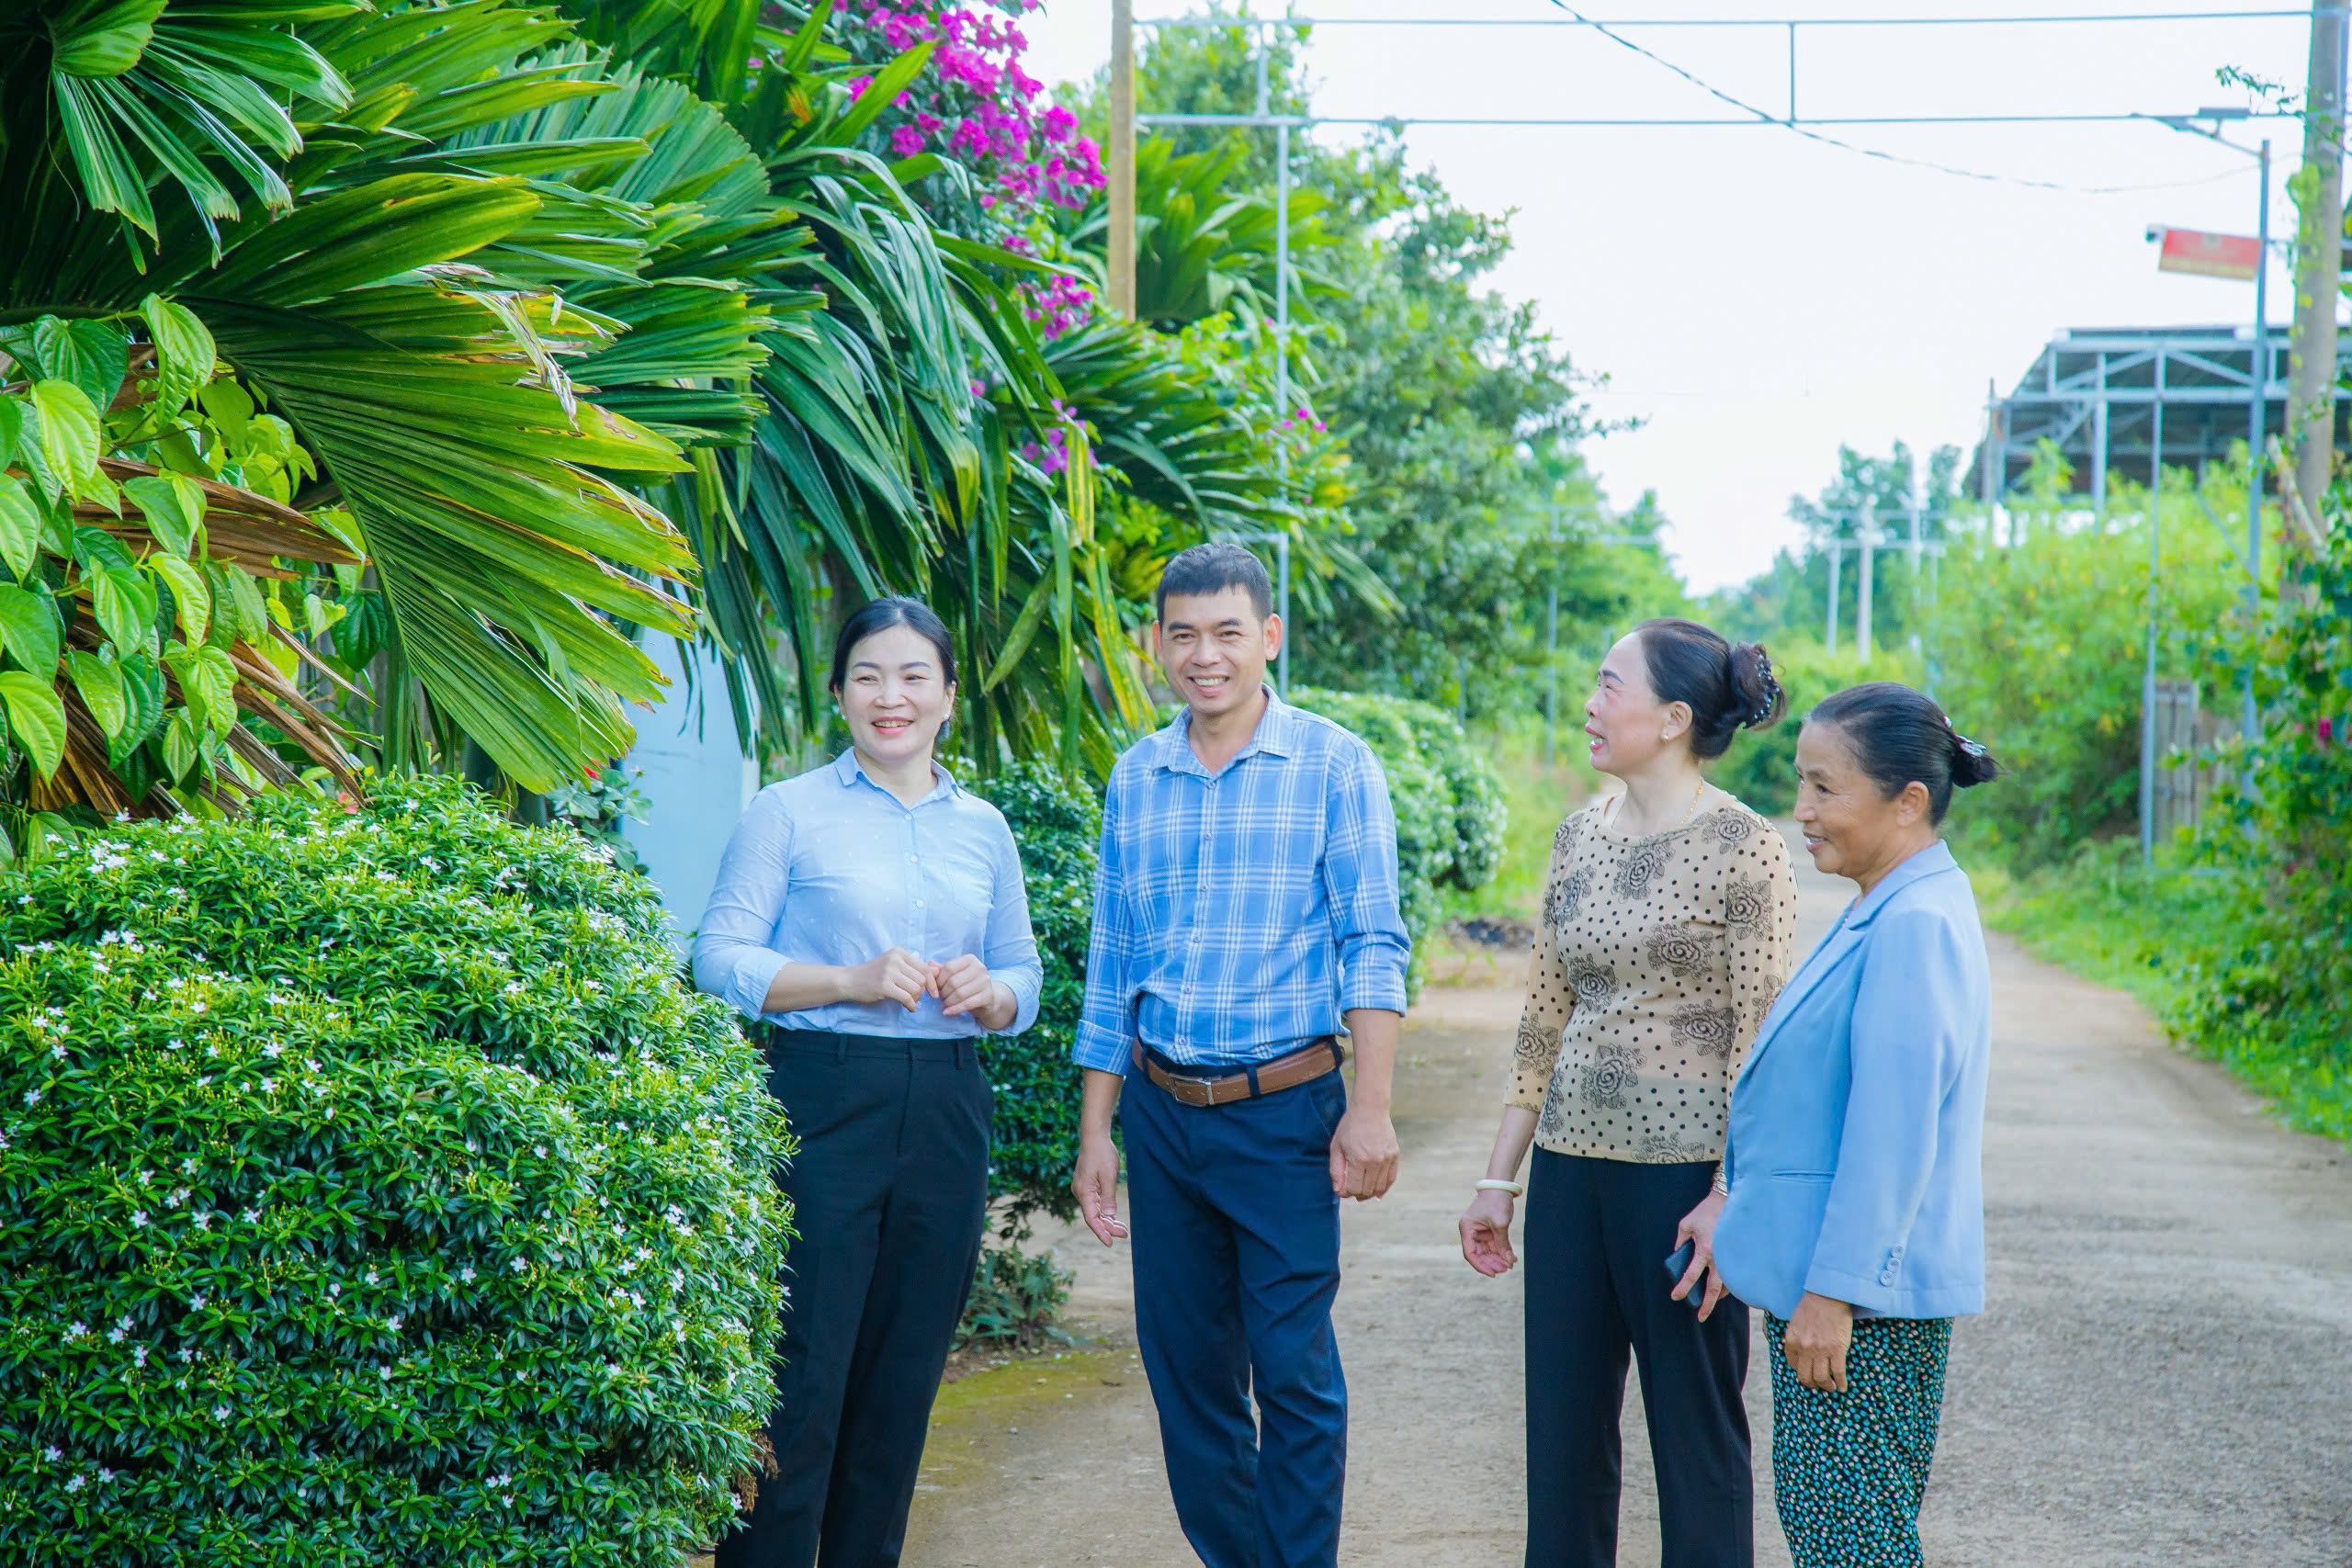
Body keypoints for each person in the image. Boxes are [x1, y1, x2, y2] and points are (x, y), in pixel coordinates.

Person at [1068, 541, 1410, 1568]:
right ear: (1156, 646)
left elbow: (1372, 942)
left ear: (1268, 637)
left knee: (1293, 1370)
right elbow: (1112, 961)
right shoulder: (1138, 775)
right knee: (1187, 1378)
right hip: (1164, 1116)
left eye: (1227, 633)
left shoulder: (1334, 765)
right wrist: (1098, 1128)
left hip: (1285, 1113)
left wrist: (1373, 1106)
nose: (1204, 656)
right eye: (1183, 635)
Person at [692, 597, 1043, 1568]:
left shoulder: (984, 828)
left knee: (899, 1384)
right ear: (840, 693)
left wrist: (996, 995)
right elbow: (716, 957)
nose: (890, 696)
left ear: (947, 698)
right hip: (820, 1096)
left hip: (946, 1107)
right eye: (868, 676)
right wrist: (845, 981)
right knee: (801, 1377)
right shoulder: (787, 811)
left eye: (913, 676)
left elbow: (1024, 971)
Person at [1457, 617, 1798, 1568]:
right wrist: (1499, 1181)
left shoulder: (1746, 848)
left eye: (1610, 687)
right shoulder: (1574, 838)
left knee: (1696, 1442)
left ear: (1675, 717)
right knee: (1561, 1442)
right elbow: (1541, 1017)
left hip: (1686, 1184)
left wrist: (1732, 1197)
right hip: (1571, 1170)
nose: (1588, 707)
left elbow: (1759, 1040)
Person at [1690, 682, 1999, 1568]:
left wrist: (1835, 1292)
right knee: (1841, 1530)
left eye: (1826, 788)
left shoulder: (1914, 922)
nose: (1802, 811)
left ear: (1908, 801)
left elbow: (1892, 1132)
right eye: (1801, 783)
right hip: (1839, 1292)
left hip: (1862, 1305)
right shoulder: (1888, 902)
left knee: (1851, 1539)